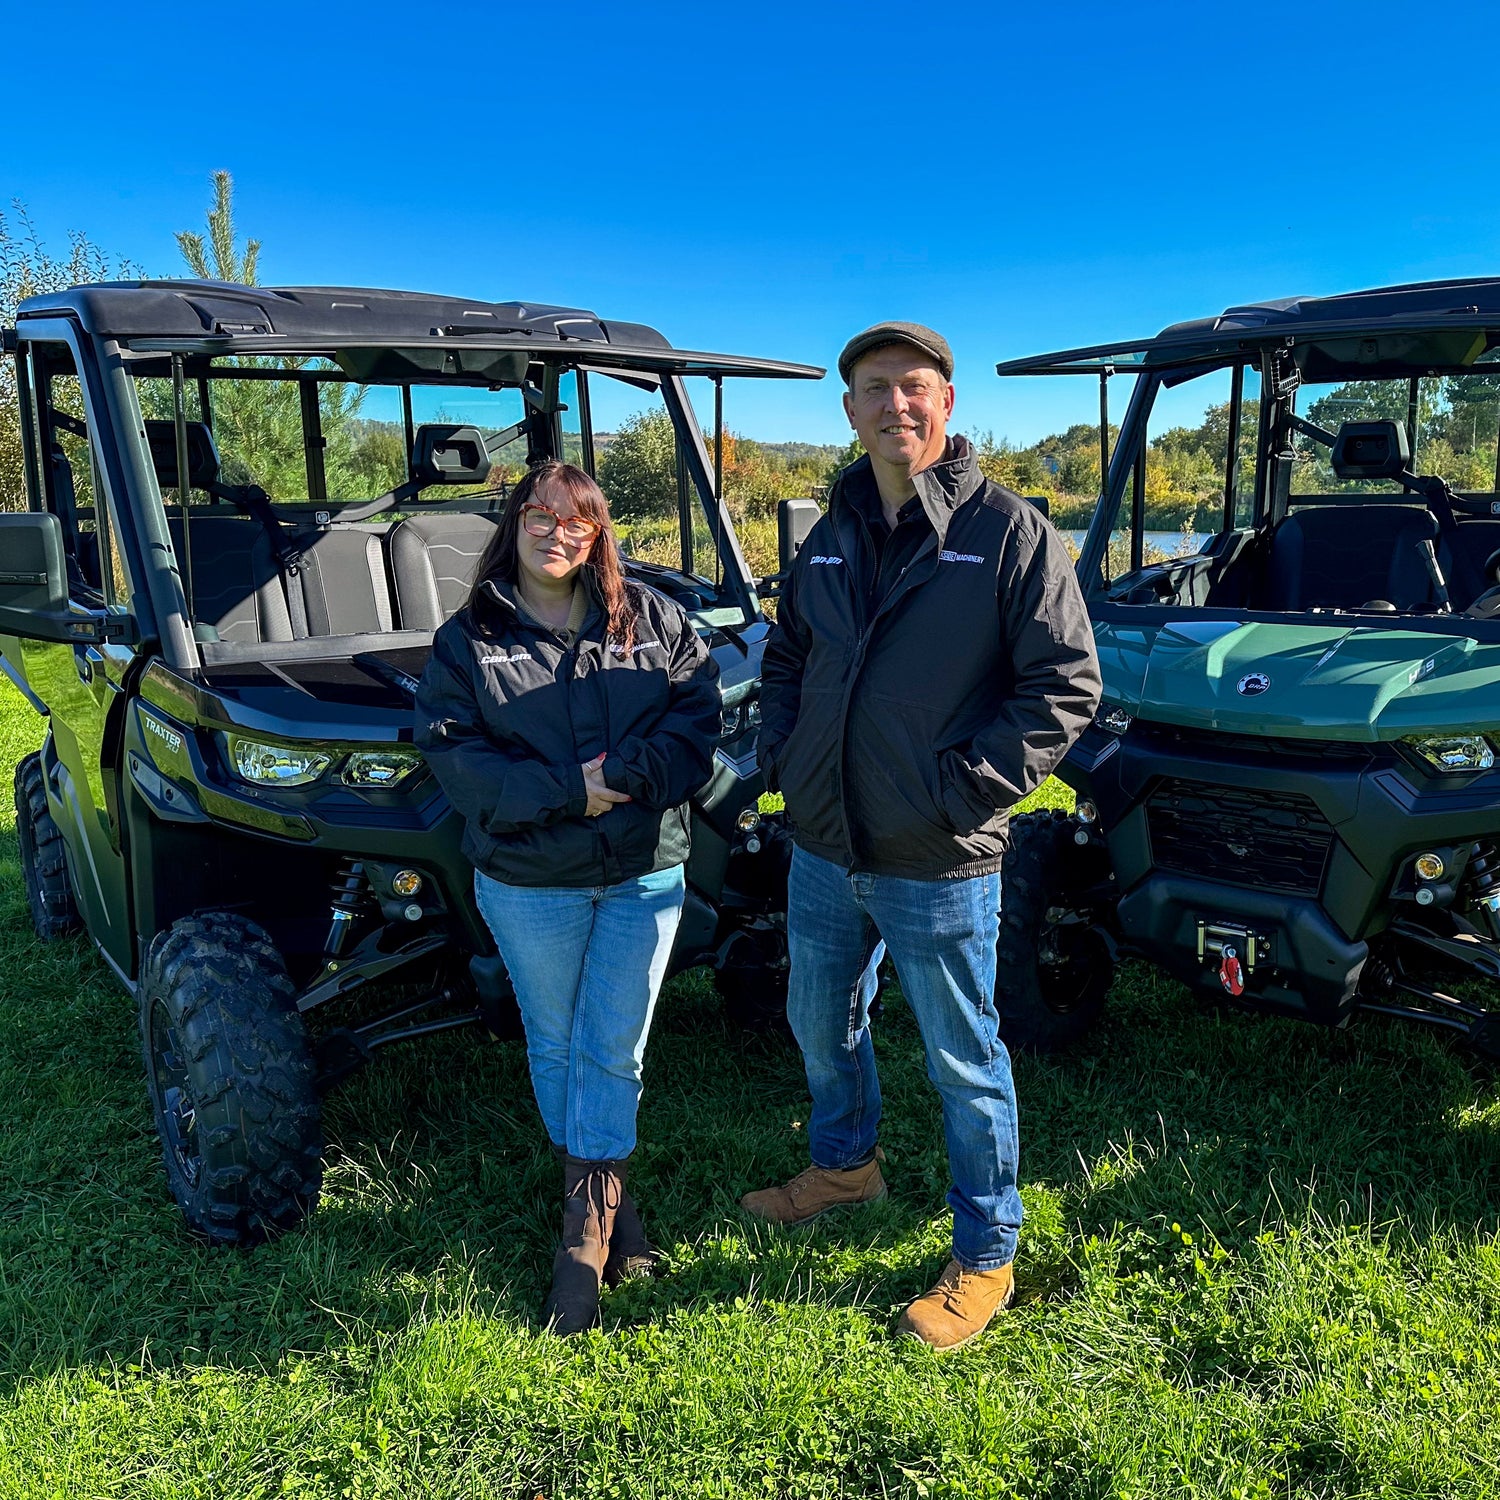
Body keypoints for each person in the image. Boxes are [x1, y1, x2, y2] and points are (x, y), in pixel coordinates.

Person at [742, 322, 1102, 1349]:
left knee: (963, 1059)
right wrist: (785, 754)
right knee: (819, 1020)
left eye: (914, 387)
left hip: (937, 854)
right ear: (848, 411)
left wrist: (967, 790)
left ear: (948, 402)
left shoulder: (1009, 533)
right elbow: (788, 653)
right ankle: (846, 1164)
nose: (895, 404)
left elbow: (1065, 684)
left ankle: (987, 1249)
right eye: (873, 389)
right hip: (821, 839)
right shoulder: (832, 527)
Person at [416, 460, 720, 1334]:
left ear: (599, 533)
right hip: (530, 880)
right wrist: (566, 791)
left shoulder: (650, 618)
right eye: (541, 517)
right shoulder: (468, 639)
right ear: (514, 526)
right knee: (558, 1042)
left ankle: (578, 1244)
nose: (558, 534)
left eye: (577, 521)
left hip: (642, 872)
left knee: (612, 1045)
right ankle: (614, 1212)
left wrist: (620, 777)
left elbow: (694, 718)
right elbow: (454, 753)